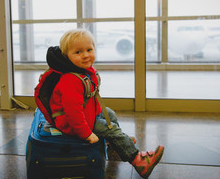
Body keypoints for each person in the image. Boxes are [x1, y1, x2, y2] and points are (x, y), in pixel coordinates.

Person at [45, 28, 164, 178]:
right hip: (72, 123)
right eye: (78, 52)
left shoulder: (84, 71)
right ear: (66, 56)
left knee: (110, 114)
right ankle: (139, 161)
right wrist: (86, 133)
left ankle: (116, 144)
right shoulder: (70, 80)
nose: (86, 55)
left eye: (89, 49)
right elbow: (73, 113)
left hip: (87, 113)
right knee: (111, 128)